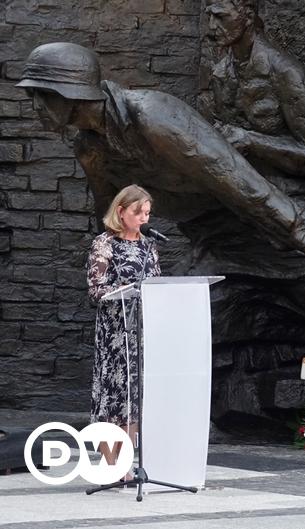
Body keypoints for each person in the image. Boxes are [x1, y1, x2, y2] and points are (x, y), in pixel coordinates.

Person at [16, 42, 305, 297]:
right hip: (216, 236)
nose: (35, 108)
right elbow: (110, 216)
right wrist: (115, 260)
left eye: (41, 96)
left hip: (271, 218)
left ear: (69, 92)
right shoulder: (90, 147)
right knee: (168, 314)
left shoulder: (151, 116)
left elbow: (245, 185)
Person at [203, 0, 305, 178]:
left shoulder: (286, 73)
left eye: (220, 16)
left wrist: (251, 141)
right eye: (209, 16)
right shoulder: (220, 72)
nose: (211, 26)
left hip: (290, 193)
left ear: (249, 16)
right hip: (238, 184)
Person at [86, 185, 161, 479]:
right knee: (112, 396)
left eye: (147, 213)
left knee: (134, 397)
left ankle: (125, 463)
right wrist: (125, 291)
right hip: (115, 331)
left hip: (141, 330)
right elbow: (95, 290)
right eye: (138, 212)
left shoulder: (149, 247)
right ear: (120, 212)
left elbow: (156, 284)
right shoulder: (104, 244)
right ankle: (112, 463)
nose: (144, 218)